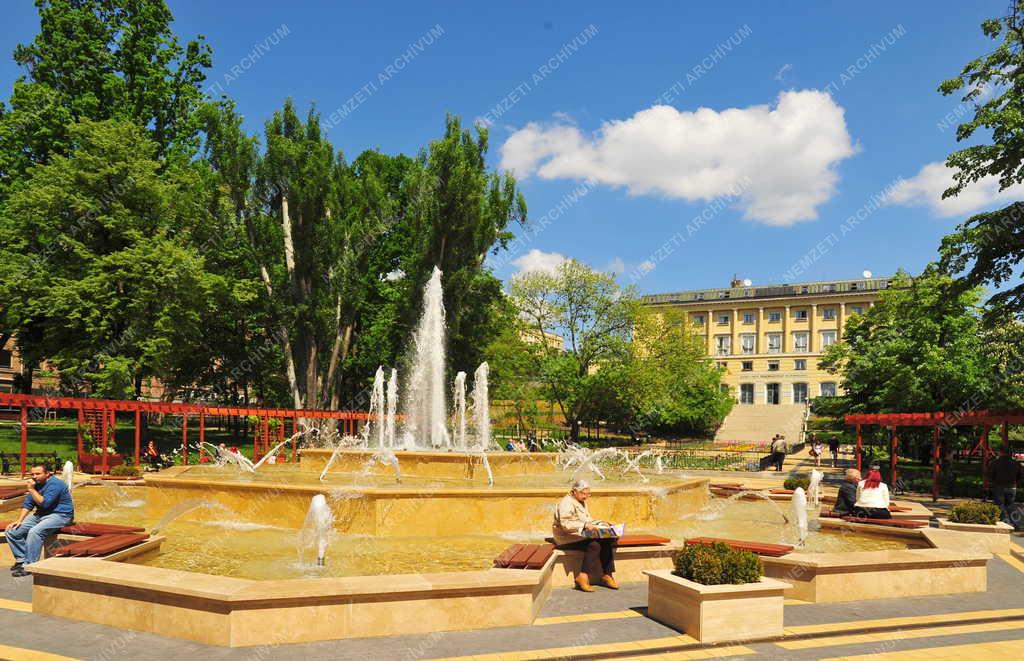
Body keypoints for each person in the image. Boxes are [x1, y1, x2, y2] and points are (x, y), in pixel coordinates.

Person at [6, 463, 75, 577]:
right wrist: (19, 520)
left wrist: (31, 489)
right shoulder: (36, 484)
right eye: (32, 474)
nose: (34, 476)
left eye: (38, 474)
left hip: (61, 515)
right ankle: (21, 560)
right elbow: (28, 504)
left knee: (35, 532)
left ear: (47, 474)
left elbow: (44, 503)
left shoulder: (56, 484)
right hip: (41, 515)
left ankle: (30, 565)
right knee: (12, 531)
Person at [552, 479, 618, 592]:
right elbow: (566, 524)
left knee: (607, 540)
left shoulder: (580, 501)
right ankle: (582, 577)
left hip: (578, 536)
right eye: (583, 493)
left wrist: (602, 523)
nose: (586, 496)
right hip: (566, 539)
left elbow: (588, 521)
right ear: (574, 491)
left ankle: (607, 575)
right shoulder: (566, 503)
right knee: (594, 545)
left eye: (588, 494)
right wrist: (585, 525)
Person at [988, 446, 1021, 528]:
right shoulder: (1016, 463)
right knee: (1010, 505)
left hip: (999, 486)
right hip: (1012, 486)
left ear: (1001, 452)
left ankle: (1005, 523)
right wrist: (1015, 482)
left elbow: (989, 474)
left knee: (1000, 505)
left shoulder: (995, 462)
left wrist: (993, 481)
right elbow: (1020, 475)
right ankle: (1015, 523)